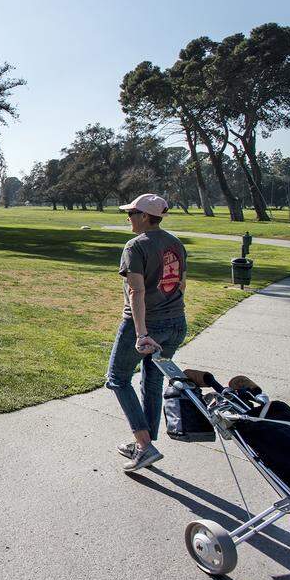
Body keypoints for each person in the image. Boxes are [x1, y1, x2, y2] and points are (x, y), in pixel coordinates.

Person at [105, 193, 188, 472]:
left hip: (144, 325)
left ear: (143, 217)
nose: (128, 218)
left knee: (117, 378)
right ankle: (146, 443)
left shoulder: (135, 246)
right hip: (175, 322)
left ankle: (143, 445)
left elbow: (136, 292)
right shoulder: (175, 243)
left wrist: (141, 333)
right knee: (152, 381)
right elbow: (181, 285)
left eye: (130, 214)